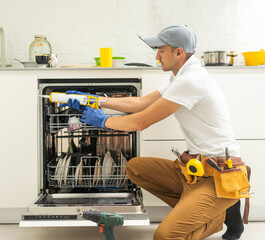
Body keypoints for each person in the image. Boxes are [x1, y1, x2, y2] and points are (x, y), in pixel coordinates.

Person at [64, 25, 246, 240]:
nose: (157, 55)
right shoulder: (180, 78)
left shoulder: (192, 80)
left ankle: (213, 218)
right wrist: (95, 100)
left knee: (164, 237)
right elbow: (141, 102)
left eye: (161, 50)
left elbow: (141, 121)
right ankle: (210, 211)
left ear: (178, 52)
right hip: (194, 170)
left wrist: (103, 121)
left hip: (218, 174)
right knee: (136, 168)